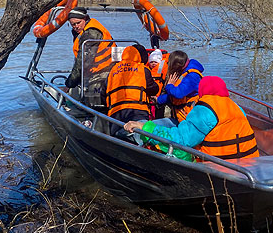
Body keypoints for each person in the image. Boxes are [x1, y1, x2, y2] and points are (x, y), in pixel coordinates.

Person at [124, 76, 260, 162]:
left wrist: (145, 127)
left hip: (217, 167)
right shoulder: (236, 107)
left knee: (165, 145)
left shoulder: (206, 109)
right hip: (249, 164)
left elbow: (181, 140)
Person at [64, 8, 116, 107]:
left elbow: (83, 62)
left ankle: (93, 117)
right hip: (101, 71)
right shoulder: (85, 30)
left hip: (103, 72)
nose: (76, 26)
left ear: (85, 19)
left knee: (93, 100)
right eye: (73, 24)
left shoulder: (91, 33)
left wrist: (69, 83)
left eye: (78, 23)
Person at [105, 44, 159, 139]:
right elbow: (153, 89)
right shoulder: (143, 69)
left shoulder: (112, 71)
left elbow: (103, 92)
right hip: (138, 111)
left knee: (118, 137)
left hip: (115, 113)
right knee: (142, 137)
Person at [156, 50, 204, 123]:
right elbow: (173, 97)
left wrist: (169, 85)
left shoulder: (192, 76)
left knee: (154, 126)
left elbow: (178, 94)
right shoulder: (184, 73)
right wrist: (159, 99)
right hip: (180, 116)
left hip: (190, 120)